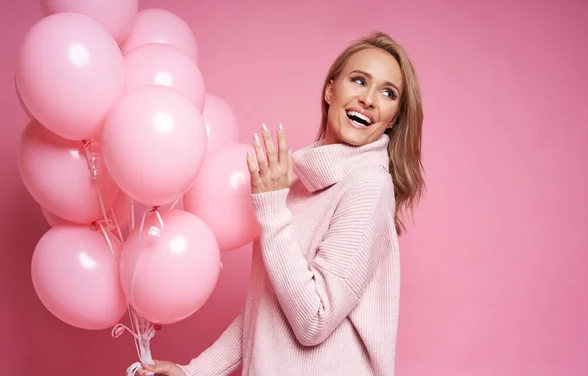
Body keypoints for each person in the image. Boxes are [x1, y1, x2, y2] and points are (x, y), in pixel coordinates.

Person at [137, 31, 424, 376]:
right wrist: (196, 372)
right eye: (359, 80)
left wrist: (272, 209)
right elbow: (269, 308)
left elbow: (314, 321)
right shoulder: (295, 181)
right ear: (330, 89)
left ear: (392, 118)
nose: (368, 99)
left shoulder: (368, 185)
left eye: (387, 93)